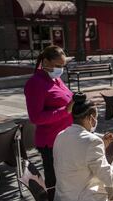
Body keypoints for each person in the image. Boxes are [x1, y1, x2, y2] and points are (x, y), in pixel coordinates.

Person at [24, 45, 73, 188]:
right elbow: (36, 117)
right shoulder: (35, 83)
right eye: (58, 65)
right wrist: (66, 110)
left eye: (63, 66)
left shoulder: (56, 80)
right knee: (56, 182)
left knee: (68, 180)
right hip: (51, 142)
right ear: (45, 62)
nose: (61, 69)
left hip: (65, 139)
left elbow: (64, 100)